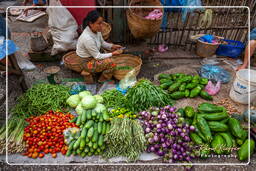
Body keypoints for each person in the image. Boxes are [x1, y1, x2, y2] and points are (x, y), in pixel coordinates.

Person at [76, 10, 123, 84]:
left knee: (108, 54)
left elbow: (102, 43)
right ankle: (103, 79)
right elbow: (97, 56)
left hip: (93, 55)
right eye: (99, 23)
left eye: (102, 22)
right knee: (112, 63)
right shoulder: (87, 38)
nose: (101, 25)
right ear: (91, 24)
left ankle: (101, 71)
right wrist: (113, 53)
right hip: (86, 62)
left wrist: (113, 46)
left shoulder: (97, 31)